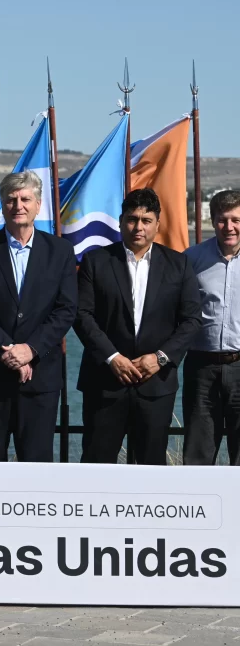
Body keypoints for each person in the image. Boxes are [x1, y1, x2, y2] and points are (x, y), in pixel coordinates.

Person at [75, 188, 201, 465]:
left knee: (151, 469)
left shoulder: (178, 264)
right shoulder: (96, 262)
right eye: (132, 219)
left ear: (158, 224)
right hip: (105, 383)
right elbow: (82, 315)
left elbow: (192, 320)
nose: (138, 227)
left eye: (146, 220)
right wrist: (112, 357)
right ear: (121, 222)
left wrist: (160, 358)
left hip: (155, 385)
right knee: (97, 466)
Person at [0, 170, 77, 462]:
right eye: (11, 200)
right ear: (2, 205)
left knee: (36, 471)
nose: (18, 206)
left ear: (38, 205)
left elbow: (65, 309)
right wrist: (10, 350)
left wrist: (30, 350)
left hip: (40, 381)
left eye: (25, 199)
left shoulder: (60, 251)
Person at [183, 190, 240, 465]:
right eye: (222, 220)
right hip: (201, 367)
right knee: (198, 453)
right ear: (213, 220)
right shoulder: (191, 259)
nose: (229, 227)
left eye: (236, 220)